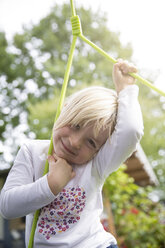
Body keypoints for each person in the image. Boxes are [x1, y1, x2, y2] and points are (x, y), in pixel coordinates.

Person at [0, 59, 144, 248]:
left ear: (99, 150)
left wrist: (125, 89)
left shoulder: (96, 164)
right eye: (75, 125)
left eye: (91, 142)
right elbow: (8, 207)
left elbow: (131, 131)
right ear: (65, 109)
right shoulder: (32, 152)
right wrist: (51, 184)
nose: (75, 142)